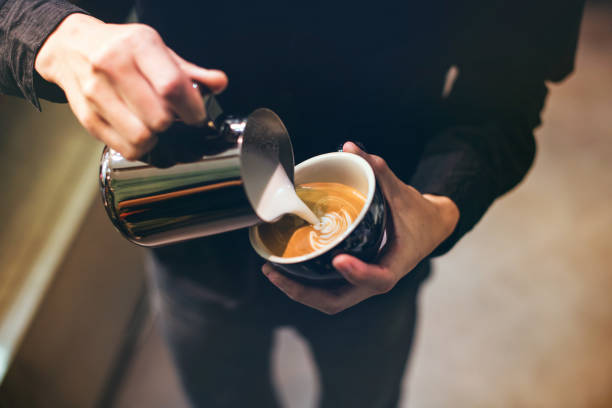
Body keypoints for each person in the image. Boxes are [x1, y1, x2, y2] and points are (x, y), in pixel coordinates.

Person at [0, 1, 585, 406]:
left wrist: (442, 204)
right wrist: (58, 37)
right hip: (195, 250)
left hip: (378, 247)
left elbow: (506, 97)